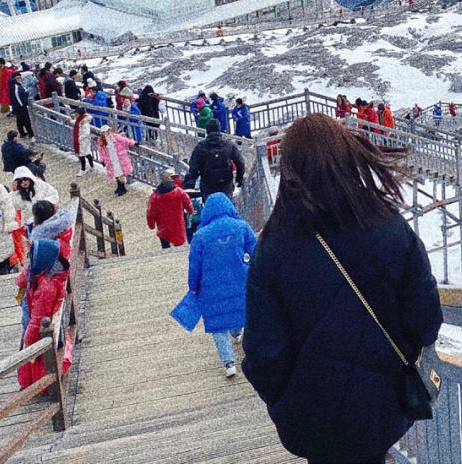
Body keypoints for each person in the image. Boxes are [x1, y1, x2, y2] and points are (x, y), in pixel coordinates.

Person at [242, 113, 442, 464]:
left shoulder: (272, 250)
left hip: (312, 416)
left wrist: (287, 402)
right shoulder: (389, 226)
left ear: (289, 171)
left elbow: (263, 355)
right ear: (348, 156)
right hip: (382, 406)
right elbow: (425, 320)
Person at [177, 192, 258, 377]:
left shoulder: (200, 236)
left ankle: (229, 364)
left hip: (211, 287)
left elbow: (194, 265)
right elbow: (256, 252)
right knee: (239, 312)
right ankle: (239, 336)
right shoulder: (241, 227)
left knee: (219, 326)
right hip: (240, 281)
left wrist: (193, 286)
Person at [16, 237, 71, 389]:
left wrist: (28, 339)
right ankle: (33, 384)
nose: (29, 258)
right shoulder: (42, 273)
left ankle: (39, 387)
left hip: (40, 328)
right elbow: (20, 281)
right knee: (32, 356)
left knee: (34, 358)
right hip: (35, 322)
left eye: (32, 256)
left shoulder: (46, 287)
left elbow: (38, 319)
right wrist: (28, 273)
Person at [185, 119, 245, 199]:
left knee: (210, 208)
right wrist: (239, 179)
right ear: (219, 130)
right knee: (226, 206)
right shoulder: (229, 145)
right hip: (226, 185)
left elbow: (193, 167)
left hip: (208, 185)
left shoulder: (200, 147)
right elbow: (240, 163)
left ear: (207, 131)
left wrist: (189, 184)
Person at [147, 168, 193, 248]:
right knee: (179, 245)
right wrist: (191, 211)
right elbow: (187, 202)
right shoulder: (178, 191)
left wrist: (151, 224)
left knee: (165, 246)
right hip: (177, 223)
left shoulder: (155, 196)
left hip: (163, 226)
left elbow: (151, 212)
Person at [96, 125, 134, 196]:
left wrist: (133, 142)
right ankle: (119, 186)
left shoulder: (115, 136)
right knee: (115, 173)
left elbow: (124, 140)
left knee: (121, 172)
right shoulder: (101, 141)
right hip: (111, 159)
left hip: (119, 158)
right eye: (106, 131)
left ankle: (122, 187)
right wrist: (102, 160)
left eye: (108, 131)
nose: (107, 132)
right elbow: (101, 152)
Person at [9, 68, 33, 138]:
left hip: (18, 106)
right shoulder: (16, 86)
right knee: (26, 120)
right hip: (20, 106)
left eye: (20, 78)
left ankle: (22, 133)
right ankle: (30, 133)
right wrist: (22, 105)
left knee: (19, 120)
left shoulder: (16, 85)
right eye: (17, 78)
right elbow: (17, 97)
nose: (19, 79)